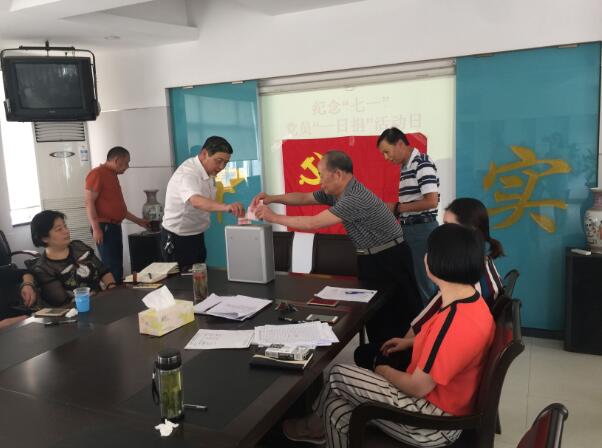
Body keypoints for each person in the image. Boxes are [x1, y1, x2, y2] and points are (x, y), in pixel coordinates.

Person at [282, 224, 495, 447]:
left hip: (432, 422)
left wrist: (381, 369)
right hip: (442, 406)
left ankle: (311, 427)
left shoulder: (454, 321)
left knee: (337, 374)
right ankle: (316, 429)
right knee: (335, 409)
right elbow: (446, 347)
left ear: (436, 263)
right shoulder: (471, 303)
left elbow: (418, 387)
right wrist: (410, 342)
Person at [253, 150, 422, 344]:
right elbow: (304, 198)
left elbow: (313, 223)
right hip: (370, 258)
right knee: (374, 316)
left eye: (321, 175)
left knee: (395, 317)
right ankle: (378, 355)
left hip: (389, 258)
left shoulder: (354, 198)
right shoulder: (337, 193)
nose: (319, 181)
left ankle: (396, 358)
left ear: (338, 174)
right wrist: (272, 198)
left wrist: (273, 217)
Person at [354, 197, 505, 370]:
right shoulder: (484, 266)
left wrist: (405, 348)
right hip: (437, 345)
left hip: (435, 357)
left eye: (448, 226)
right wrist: (410, 341)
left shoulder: (463, 283)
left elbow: (438, 332)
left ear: (469, 233)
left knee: (363, 353)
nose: (443, 233)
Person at [161, 136, 245, 271]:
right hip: (178, 238)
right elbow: (196, 201)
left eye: (225, 163)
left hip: (196, 234)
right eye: (218, 161)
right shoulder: (188, 173)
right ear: (204, 154)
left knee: (199, 276)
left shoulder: (208, 172)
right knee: (181, 281)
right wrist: (226, 207)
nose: (222, 167)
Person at [377, 127, 440, 304]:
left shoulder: (422, 163)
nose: (386, 158)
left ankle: (431, 320)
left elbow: (431, 201)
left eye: (387, 152)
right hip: (411, 229)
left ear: (399, 144)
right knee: (415, 282)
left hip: (422, 230)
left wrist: (398, 208)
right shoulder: (406, 166)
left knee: (425, 284)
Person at [85, 146, 149, 282]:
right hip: (104, 227)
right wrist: (96, 228)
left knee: (117, 266)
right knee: (112, 267)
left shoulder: (112, 175)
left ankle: (117, 290)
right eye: (126, 162)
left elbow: (118, 209)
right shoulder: (97, 174)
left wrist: (138, 221)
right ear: (117, 160)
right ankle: (113, 293)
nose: (128, 166)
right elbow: (89, 202)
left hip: (114, 226)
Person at [28, 210, 117, 307]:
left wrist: (112, 289)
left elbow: (104, 271)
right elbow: (63, 303)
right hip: (76, 311)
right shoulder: (43, 268)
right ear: (44, 238)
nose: (66, 231)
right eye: (59, 229)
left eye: (65, 226)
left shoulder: (78, 246)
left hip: (102, 301)